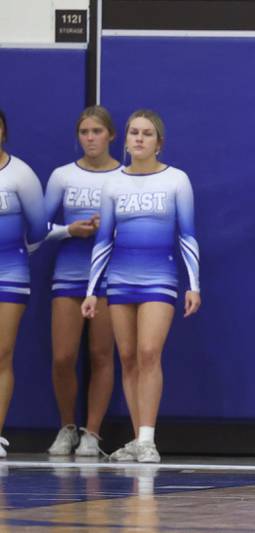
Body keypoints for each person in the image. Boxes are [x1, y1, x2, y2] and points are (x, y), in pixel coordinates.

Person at [81, 109, 201, 463]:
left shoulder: (177, 180)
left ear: (159, 143)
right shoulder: (114, 183)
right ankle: (137, 438)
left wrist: (194, 285)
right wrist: (92, 290)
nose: (139, 139)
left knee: (149, 353)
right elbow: (103, 241)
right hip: (119, 281)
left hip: (159, 279)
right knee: (128, 357)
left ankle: (148, 438)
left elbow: (188, 236)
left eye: (147, 134)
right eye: (134, 132)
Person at [45, 106, 119, 457]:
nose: (90, 138)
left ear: (110, 136)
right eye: (84, 132)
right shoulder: (62, 176)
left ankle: (93, 432)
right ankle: (67, 427)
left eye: (96, 132)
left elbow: (139, 224)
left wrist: (108, 228)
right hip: (69, 273)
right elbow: (37, 227)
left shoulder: (124, 176)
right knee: (63, 356)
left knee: (101, 354)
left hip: (107, 276)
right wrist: (69, 230)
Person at [0, 109, 48, 457]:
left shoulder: (21, 174)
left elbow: (38, 229)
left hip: (10, 273)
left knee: (1, 353)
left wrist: (16, 253)